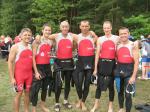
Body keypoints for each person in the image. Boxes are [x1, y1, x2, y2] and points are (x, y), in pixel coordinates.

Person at [48, 21, 78, 112]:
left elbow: (81, 37)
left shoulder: (72, 36)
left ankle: (65, 101)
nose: (65, 28)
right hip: (59, 63)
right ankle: (57, 103)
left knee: (68, 83)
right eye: (63, 27)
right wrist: (38, 36)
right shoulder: (57, 36)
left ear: (68, 28)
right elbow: (47, 36)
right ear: (60, 28)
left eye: (66, 27)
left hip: (69, 62)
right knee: (58, 84)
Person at [91, 21, 119, 112]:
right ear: (103, 28)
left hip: (112, 64)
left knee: (111, 86)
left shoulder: (116, 38)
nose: (106, 29)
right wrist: (95, 68)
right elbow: (97, 54)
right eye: (104, 28)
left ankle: (110, 107)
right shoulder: (100, 39)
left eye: (108, 28)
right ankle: (96, 105)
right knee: (99, 85)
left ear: (111, 28)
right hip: (102, 63)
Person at [72, 20, 98, 111]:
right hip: (80, 63)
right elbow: (72, 45)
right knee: (78, 84)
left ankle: (83, 102)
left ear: (89, 27)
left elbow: (99, 41)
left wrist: (94, 34)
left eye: (86, 26)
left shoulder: (93, 37)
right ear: (80, 27)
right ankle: (79, 99)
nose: (84, 28)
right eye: (83, 26)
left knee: (86, 84)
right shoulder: (77, 37)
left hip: (90, 64)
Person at [8, 28, 33, 112]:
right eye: (25, 35)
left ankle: (26, 110)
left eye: (29, 35)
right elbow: (10, 62)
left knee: (27, 92)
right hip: (19, 75)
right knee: (19, 93)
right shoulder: (15, 46)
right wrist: (12, 78)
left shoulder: (30, 46)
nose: (27, 36)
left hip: (29, 75)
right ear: (21, 36)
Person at [114, 27, 139, 112]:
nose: (123, 35)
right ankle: (121, 108)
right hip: (119, 71)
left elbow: (136, 62)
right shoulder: (117, 45)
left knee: (128, 94)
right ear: (119, 35)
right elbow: (117, 58)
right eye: (121, 34)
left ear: (128, 34)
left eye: (125, 33)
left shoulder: (133, 45)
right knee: (120, 91)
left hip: (130, 71)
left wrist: (133, 76)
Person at [30, 24, 53, 112]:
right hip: (38, 67)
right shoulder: (37, 41)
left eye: (49, 30)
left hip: (47, 67)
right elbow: (33, 58)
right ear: (42, 30)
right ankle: (34, 108)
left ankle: (43, 105)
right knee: (36, 88)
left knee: (45, 88)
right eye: (46, 30)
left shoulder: (50, 41)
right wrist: (36, 71)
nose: (48, 32)